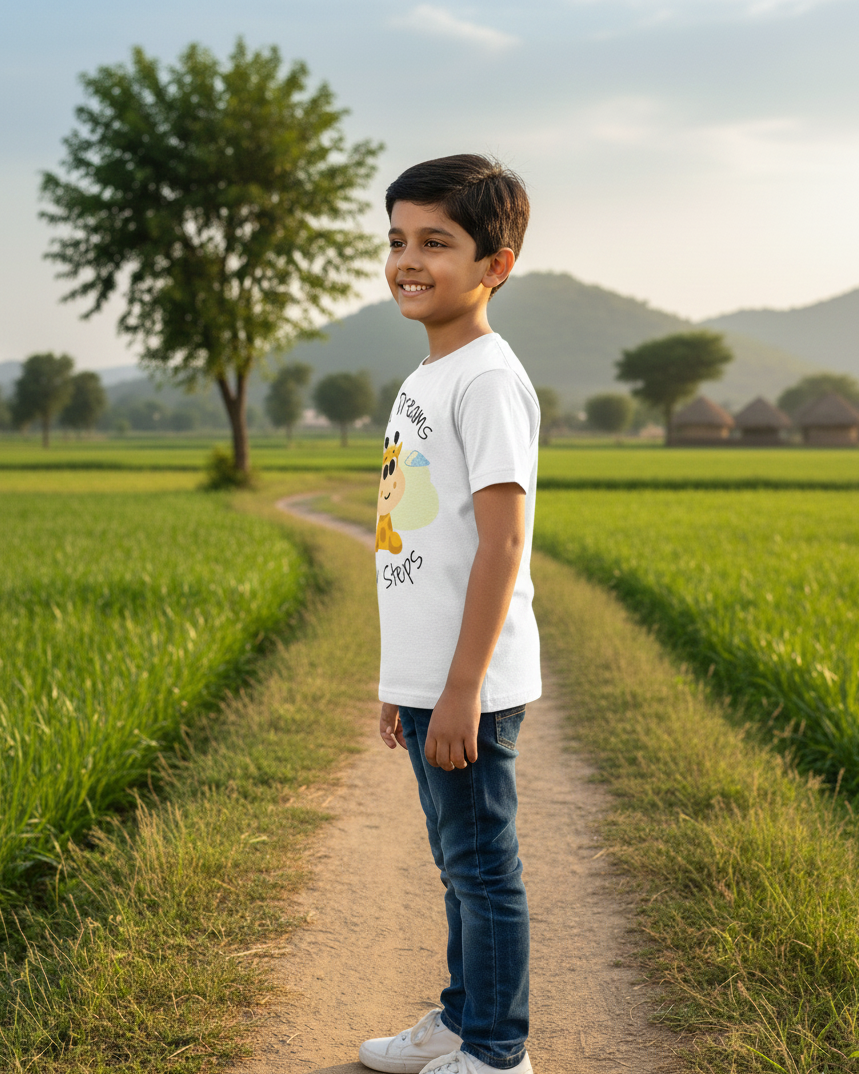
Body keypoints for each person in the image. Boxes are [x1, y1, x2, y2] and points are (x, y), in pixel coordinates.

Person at [359, 154, 541, 1074]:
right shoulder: (424, 376)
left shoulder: (486, 380)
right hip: (434, 679)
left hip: (474, 682)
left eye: (436, 241)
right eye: (396, 240)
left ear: (493, 266)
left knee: (480, 868)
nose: (408, 260)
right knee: (454, 864)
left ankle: (498, 1053)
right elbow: (415, 548)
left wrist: (463, 686)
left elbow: (504, 544)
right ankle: (463, 1016)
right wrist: (406, 683)